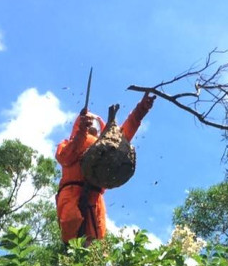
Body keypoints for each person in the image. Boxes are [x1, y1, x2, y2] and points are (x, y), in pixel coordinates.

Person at [55, 92, 155, 244]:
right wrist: (81, 132)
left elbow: (123, 137)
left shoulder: (105, 143)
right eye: (88, 121)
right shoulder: (69, 142)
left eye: (93, 121)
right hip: (71, 194)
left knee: (96, 241)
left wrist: (141, 110)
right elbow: (65, 157)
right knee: (71, 223)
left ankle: (92, 262)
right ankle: (71, 256)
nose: (92, 124)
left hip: (94, 199)